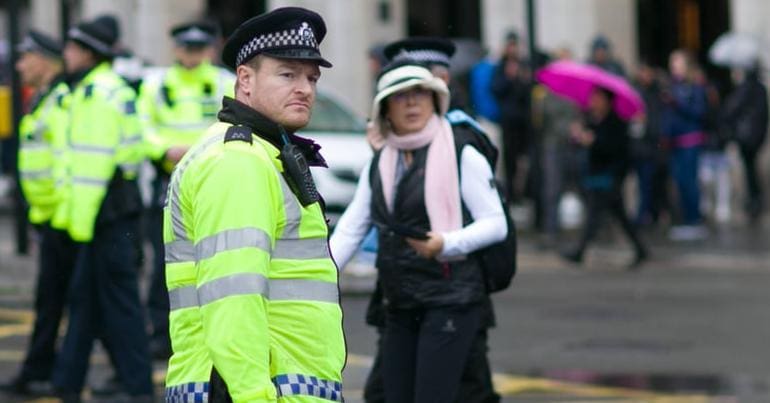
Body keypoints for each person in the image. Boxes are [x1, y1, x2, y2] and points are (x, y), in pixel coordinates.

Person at [162, 7, 346, 402]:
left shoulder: (261, 153)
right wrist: (253, 394)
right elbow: (233, 297)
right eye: (287, 74)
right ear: (245, 79)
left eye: (312, 77)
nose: (305, 88)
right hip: (250, 389)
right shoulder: (239, 161)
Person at [331, 61, 507, 403]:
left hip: (451, 299)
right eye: (400, 97)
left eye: (419, 94)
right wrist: (317, 275)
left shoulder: (462, 153)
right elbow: (352, 228)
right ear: (385, 110)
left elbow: (496, 222)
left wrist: (447, 243)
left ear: (435, 100)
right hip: (400, 299)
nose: (411, 104)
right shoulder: (380, 161)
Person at [51, 15, 153, 402]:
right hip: (109, 213)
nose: (66, 55)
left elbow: (92, 171)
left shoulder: (97, 94)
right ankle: (67, 382)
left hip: (105, 215)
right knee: (85, 301)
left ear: (88, 53)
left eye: (71, 49)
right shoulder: (101, 88)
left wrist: (75, 228)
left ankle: (139, 389)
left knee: (120, 307)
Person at [137, 20, 235, 360]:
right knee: (167, 263)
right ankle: (163, 335)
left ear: (209, 49)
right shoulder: (157, 84)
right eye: (187, 48)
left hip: (212, 181)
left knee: (211, 260)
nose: (192, 55)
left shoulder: (224, 82)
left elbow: (232, 124)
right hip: (168, 181)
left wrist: (194, 151)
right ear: (176, 49)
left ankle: (210, 332)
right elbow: (143, 125)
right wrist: (164, 150)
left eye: (199, 48)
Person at [1, 30, 73, 396]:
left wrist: (59, 217)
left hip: (62, 220)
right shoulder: (44, 99)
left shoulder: (60, 101)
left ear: (44, 60)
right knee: (56, 302)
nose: (19, 65)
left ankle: (46, 373)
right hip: (49, 218)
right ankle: (43, 370)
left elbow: (65, 164)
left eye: (25, 57)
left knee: (65, 302)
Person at [561, 87, 648, 269]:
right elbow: (582, 143)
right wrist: (579, 136)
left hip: (610, 176)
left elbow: (614, 149)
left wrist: (594, 141)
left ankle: (580, 251)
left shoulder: (616, 122)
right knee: (620, 215)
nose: (593, 102)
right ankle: (641, 249)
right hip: (597, 175)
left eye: (597, 98)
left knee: (595, 215)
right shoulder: (593, 120)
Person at [662, 49, 708, 240]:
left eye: (678, 63)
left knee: (689, 181)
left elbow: (699, 112)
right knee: (679, 181)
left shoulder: (695, 87)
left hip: (691, 140)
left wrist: (678, 103)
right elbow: (668, 116)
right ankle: (685, 218)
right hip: (675, 142)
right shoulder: (671, 86)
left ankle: (694, 219)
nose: (674, 67)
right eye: (672, 63)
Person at [721, 65, 768, 221]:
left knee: (749, 169)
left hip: (747, 136)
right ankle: (755, 199)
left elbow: (731, 109)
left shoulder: (746, 88)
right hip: (756, 135)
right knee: (751, 168)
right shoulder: (759, 89)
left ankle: (753, 201)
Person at [491, 32, 532, 204]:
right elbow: (496, 89)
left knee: (527, 160)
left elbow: (529, 93)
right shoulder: (500, 67)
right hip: (508, 121)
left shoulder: (524, 65)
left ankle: (525, 193)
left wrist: (523, 80)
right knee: (510, 160)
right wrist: (509, 78)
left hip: (524, 121)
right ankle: (512, 196)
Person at [631, 62, 669, 227]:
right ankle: (645, 214)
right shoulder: (637, 93)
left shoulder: (657, 94)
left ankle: (650, 213)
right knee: (644, 183)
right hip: (641, 147)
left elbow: (657, 121)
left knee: (653, 183)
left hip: (653, 147)